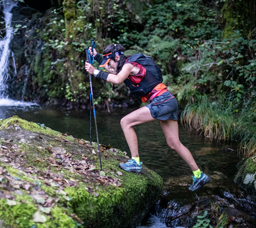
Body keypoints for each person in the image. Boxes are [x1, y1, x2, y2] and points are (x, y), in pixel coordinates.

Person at [84, 43, 210, 191]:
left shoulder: (129, 65)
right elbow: (111, 69)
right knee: (174, 143)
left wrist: (95, 72)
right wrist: (96, 56)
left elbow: (117, 79)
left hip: (161, 101)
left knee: (125, 122)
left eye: (109, 62)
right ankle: (198, 174)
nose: (108, 66)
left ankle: (135, 162)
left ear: (117, 57)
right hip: (168, 100)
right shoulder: (125, 64)